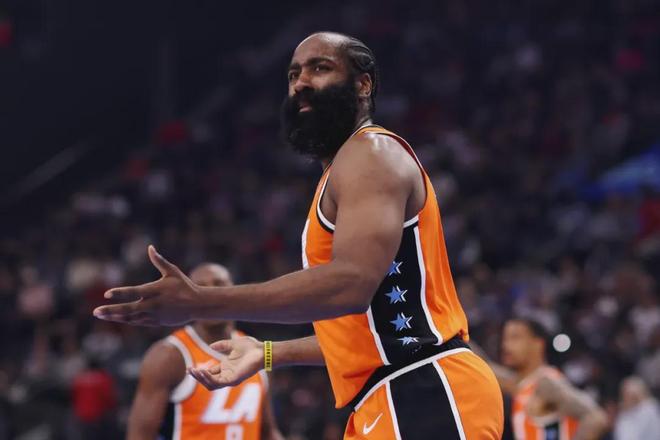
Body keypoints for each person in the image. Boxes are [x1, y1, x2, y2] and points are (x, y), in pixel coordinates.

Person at [95, 31, 504, 439]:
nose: (301, 83)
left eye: (320, 68)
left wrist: (200, 301)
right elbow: (368, 332)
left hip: (424, 387)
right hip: (393, 394)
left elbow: (351, 285)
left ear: (363, 84)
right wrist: (268, 352)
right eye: (293, 75)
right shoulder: (346, 171)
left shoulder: (370, 154)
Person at [126, 263, 283, 440]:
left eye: (218, 284)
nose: (210, 295)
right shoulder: (169, 355)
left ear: (235, 291)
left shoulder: (256, 351)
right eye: (201, 288)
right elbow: (140, 435)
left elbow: (267, 431)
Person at [475, 318, 608, 440]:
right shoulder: (521, 383)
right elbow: (482, 365)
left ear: (537, 344)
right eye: (505, 339)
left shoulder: (547, 382)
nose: (506, 345)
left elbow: (596, 418)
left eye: (515, 338)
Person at [613, 376, 660, 440]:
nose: (627, 398)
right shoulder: (624, 412)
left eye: (631, 395)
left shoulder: (648, 409)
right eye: (625, 395)